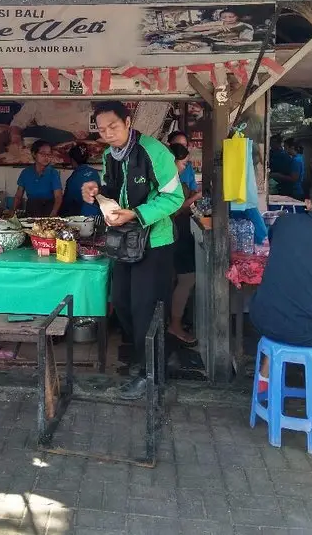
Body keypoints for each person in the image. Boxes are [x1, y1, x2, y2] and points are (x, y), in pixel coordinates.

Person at [82, 101, 184, 400]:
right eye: (102, 130)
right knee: (122, 303)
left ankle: (150, 375)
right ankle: (162, 354)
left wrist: (136, 214)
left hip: (154, 243)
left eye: (113, 127)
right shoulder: (109, 155)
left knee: (145, 309)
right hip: (125, 242)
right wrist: (95, 192)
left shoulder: (153, 151)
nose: (108, 134)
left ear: (128, 121)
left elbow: (174, 198)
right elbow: (114, 191)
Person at [250, 180, 312, 392]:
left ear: (308, 203)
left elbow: (275, 241)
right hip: (306, 331)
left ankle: (265, 376)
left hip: (263, 318)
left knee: (291, 297)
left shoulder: (285, 223)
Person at [168, 143, 198, 347]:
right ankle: (175, 325)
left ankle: (176, 322)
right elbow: (174, 210)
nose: (185, 167)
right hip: (175, 236)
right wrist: (196, 197)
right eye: (184, 162)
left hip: (179, 234)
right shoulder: (169, 182)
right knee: (186, 280)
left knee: (182, 280)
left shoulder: (176, 180)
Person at [9, 100, 93, 147]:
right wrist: (15, 137)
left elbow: (88, 124)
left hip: (73, 147)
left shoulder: (83, 101)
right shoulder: (37, 101)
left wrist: (83, 132)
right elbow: (17, 122)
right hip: (43, 145)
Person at [13, 140, 62, 217]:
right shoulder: (26, 173)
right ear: (34, 154)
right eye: (42, 154)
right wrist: (12, 211)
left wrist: (53, 213)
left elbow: (58, 197)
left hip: (49, 210)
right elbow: (18, 196)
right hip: (31, 210)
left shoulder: (53, 173)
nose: (46, 157)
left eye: (49, 154)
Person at [60, 144, 101, 217]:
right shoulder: (94, 172)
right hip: (99, 214)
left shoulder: (72, 180)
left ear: (72, 160)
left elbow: (67, 203)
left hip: (84, 217)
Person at [167, 130, 202, 207]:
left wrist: (196, 195)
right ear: (169, 145)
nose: (181, 149)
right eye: (178, 145)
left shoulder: (188, 166)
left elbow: (193, 189)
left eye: (184, 145)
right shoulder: (163, 168)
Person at [269, 134, 301, 198]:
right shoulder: (271, 154)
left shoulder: (294, 160)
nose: (284, 148)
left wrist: (278, 175)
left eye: (285, 147)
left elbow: (294, 178)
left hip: (290, 191)